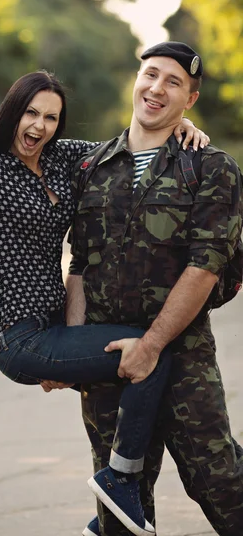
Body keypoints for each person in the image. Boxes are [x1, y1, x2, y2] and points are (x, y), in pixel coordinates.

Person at [0, 41, 209, 536]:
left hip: (52, 333)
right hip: (20, 339)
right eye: (31, 113)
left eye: (50, 118)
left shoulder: (60, 160)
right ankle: (119, 482)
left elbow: (128, 146)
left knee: (144, 352)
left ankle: (110, 514)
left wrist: (181, 127)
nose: (39, 127)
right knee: (150, 353)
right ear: (13, 113)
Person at [62, 41, 243, 536]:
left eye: (174, 82)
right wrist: (73, 345)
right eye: (151, 74)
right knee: (120, 509)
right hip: (107, 357)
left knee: (221, 484)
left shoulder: (211, 168)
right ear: (136, 79)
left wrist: (153, 345)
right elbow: (78, 261)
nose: (157, 88)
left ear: (191, 98)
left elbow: (207, 267)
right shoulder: (92, 165)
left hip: (182, 356)